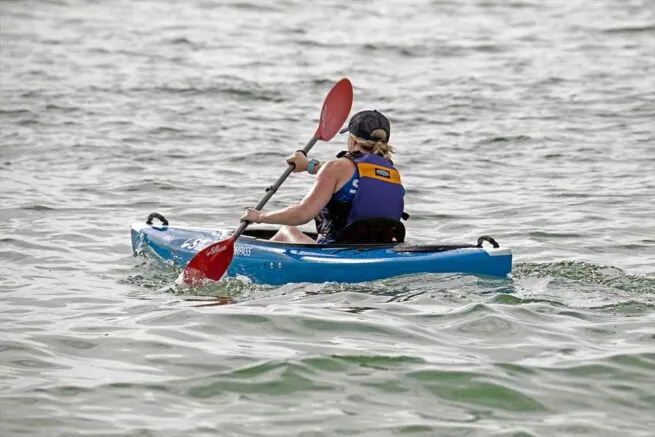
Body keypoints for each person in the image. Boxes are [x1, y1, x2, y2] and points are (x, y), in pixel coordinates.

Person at [240, 109, 405, 243]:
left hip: (336, 253)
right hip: (377, 251)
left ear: (353, 140)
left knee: (287, 231)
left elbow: (303, 213)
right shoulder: (392, 174)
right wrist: (310, 166)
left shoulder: (336, 167)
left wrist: (260, 217)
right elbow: (355, 181)